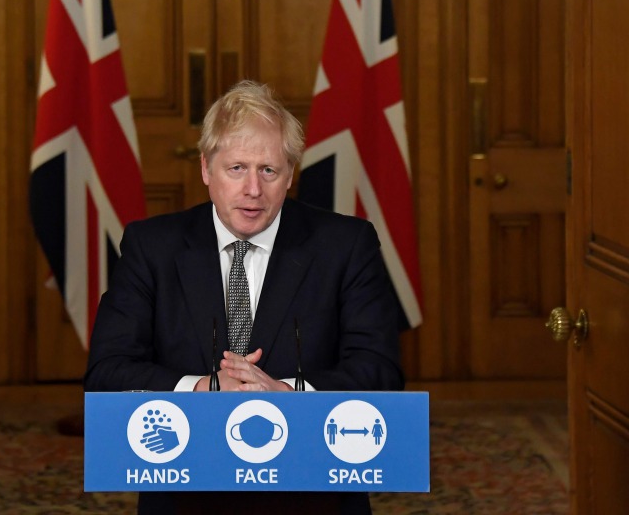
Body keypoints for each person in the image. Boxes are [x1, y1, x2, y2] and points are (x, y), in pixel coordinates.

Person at [85, 80, 403, 514]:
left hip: (313, 491)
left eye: (268, 170)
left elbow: (381, 371)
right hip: (185, 490)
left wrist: (289, 393)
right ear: (205, 169)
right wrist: (202, 390)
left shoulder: (346, 246)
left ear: (290, 174)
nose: (253, 189)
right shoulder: (152, 247)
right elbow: (107, 372)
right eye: (236, 168)